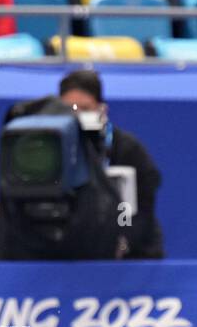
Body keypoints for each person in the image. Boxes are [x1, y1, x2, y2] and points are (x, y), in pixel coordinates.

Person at [56, 70, 165, 260]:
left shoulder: (128, 149)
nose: (77, 115)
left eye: (85, 108)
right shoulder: (50, 150)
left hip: (130, 258)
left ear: (102, 109)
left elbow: (142, 211)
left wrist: (122, 244)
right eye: (70, 109)